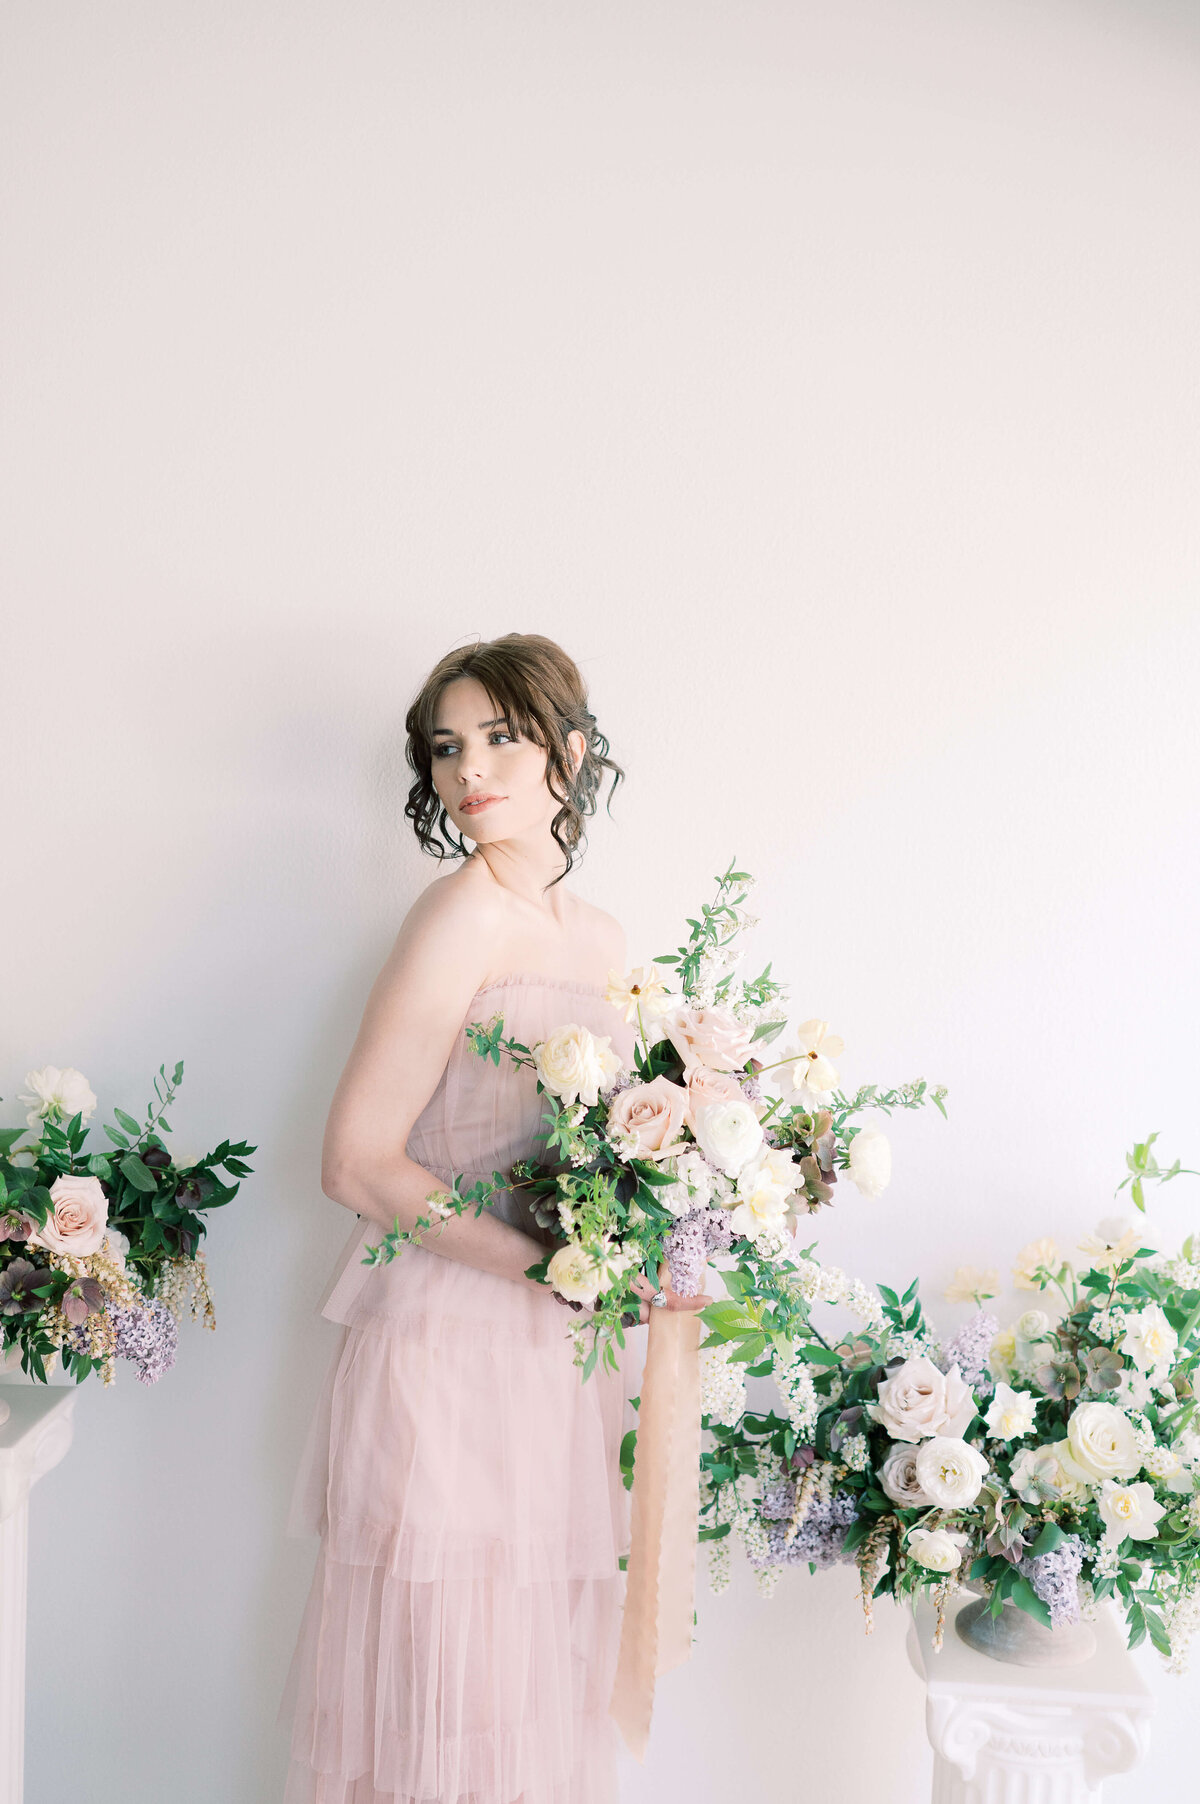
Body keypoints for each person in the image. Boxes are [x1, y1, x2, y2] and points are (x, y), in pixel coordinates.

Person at [278, 632, 710, 1804]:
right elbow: (355, 1161)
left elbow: (618, 1146)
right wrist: (546, 1267)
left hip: (559, 1352)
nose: (470, 769)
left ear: (570, 752)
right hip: (452, 1336)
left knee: (532, 1677)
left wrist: (668, 1221)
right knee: (447, 1676)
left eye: (501, 737)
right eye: (447, 747)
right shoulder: (455, 915)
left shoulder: (606, 940)